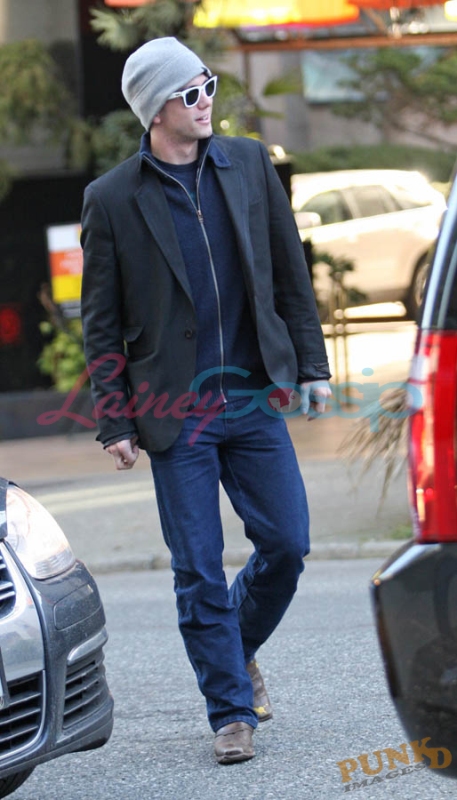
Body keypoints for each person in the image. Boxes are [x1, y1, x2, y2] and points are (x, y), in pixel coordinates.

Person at [81, 36, 331, 765]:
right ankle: (230, 712)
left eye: (208, 85)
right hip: (173, 412)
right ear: (155, 110)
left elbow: (288, 270)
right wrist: (114, 418)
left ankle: (234, 646)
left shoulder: (248, 164)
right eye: (189, 93)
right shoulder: (113, 198)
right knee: (196, 567)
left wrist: (311, 366)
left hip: (251, 396)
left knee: (287, 544)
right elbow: (101, 320)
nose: (206, 102)